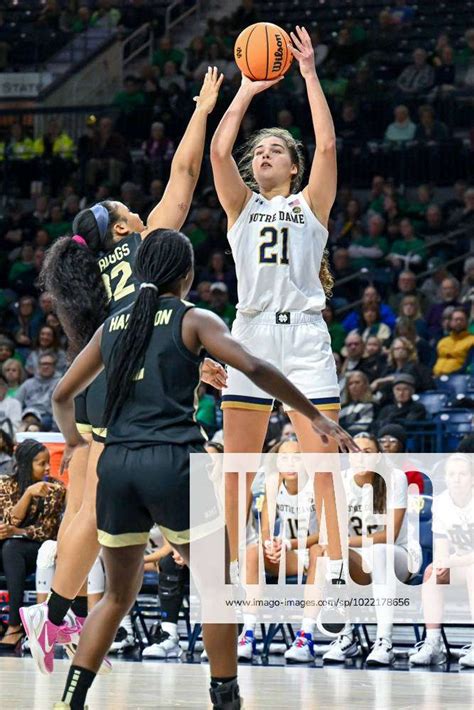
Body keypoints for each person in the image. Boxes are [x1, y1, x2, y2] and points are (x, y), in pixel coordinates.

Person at [46, 229, 355, 710]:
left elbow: (62, 396)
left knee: (115, 597)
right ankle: (224, 696)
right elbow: (254, 366)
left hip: (118, 468)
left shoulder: (114, 325)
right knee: (218, 588)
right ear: (186, 276)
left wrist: (72, 443)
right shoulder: (193, 319)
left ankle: (71, 698)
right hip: (173, 462)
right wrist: (313, 414)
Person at [20, 68, 229, 676]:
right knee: (95, 510)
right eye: (125, 209)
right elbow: (185, 174)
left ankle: (54, 612)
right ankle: (56, 612)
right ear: (120, 227)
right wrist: (203, 108)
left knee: (84, 509)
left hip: (95, 378)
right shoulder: (148, 244)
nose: (137, 209)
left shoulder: (95, 277)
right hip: (124, 388)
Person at [210, 26, 349, 585]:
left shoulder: (312, 204)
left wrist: (310, 74)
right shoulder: (239, 207)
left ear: (293, 166)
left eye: (275, 151)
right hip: (251, 338)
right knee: (238, 474)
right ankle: (224, 586)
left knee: (323, 469)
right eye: (259, 151)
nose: (263, 154)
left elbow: (330, 146)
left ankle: (337, 581)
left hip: (306, 340)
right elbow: (220, 150)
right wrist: (246, 88)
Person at [285, 433, 411, 665]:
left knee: (378, 551)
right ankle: (314, 636)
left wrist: (342, 543)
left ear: (378, 457)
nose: (360, 458)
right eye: (355, 452)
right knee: (321, 555)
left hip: (398, 556)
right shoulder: (340, 481)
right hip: (358, 559)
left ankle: (385, 642)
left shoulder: (395, 478)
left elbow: (389, 536)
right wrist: (336, 545)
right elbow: (328, 533)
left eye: (367, 452)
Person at [239, 437, 320, 661]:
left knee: (318, 554)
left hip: (315, 551)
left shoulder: (316, 484)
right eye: (284, 458)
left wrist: (288, 544)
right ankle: (247, 634)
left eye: (296, 458)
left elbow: (327, 532)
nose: (290, 463)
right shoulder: (272, 482)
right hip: (288, 554)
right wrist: (270, 544)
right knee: (254, 551)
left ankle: (305, 636)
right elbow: (265, 526)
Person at [409, 454, 473, 667]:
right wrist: (442, 563)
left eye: (462, 474)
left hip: (469, 565)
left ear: (472, 478)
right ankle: (433, 644)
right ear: (445, 478)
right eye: (451, 474)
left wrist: (450, 562)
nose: (456, 479)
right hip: (462, 562)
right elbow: (442, 546)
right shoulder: (442, 503)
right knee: (431, 573)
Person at [0, 440, 65, 650]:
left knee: (12, 548)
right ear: (26, 464)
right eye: (41, 463)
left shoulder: (55, 489)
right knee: (8, 547)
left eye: (48, 462)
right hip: (6, 550)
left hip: (36, 551)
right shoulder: (4, 485)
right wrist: (28, 493)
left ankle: (14, 625)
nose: (47, 468)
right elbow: (9, 521)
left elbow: (46, 531)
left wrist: (17, 532)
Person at [15, 352, 61, 431]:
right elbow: (16, 403)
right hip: (28, 414)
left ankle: (27, 430)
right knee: (28, 417)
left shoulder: (60, 383)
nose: (46, 366)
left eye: (49, 364)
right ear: (38, 366)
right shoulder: (28, 383)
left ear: (54, 366)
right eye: (43, 364)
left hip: (49, 417)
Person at [433, 307, 474, 376]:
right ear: (450, 322)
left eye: (461, 320)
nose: (458, 322)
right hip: (436, 376)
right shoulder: (442, 341)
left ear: (467, 322)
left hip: (458, 377)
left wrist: (450, 375)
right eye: (456, 319)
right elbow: (433, 361)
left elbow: (468, 366)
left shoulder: (472, 341)